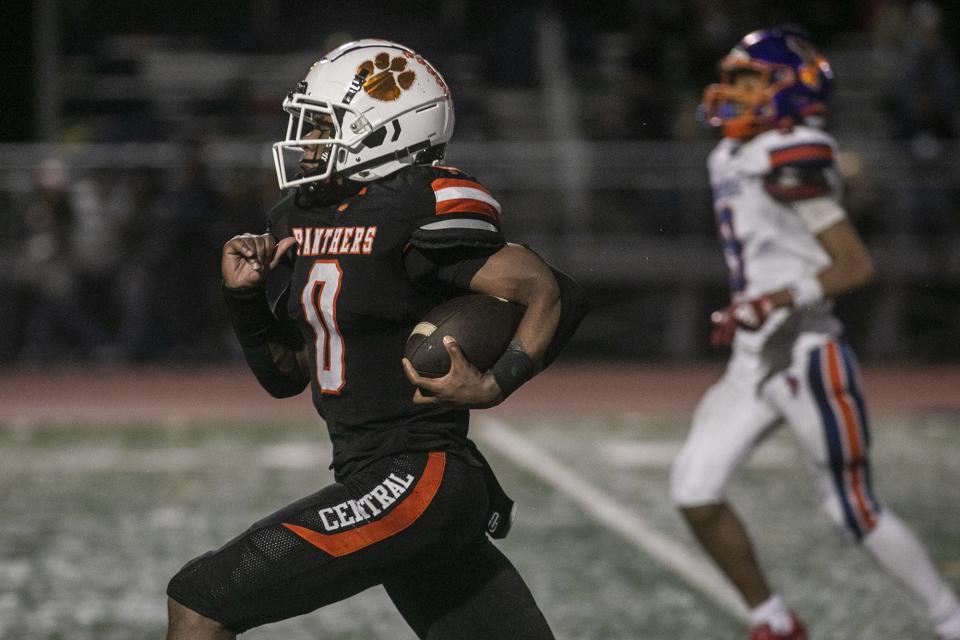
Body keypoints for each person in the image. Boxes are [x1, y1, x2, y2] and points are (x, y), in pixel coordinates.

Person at [165, 39, 588, 640]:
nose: (307, 141)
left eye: (323, 125)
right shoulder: (301, 216)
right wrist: (244, 297)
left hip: (420, 475)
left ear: (386, 129)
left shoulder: (413, 205)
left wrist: (497, 382)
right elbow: (284, 375)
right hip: (378, 477)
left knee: (199, 599)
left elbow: (552, 291)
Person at [670, 28, 960, 640]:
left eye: (750, 81)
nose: (733, 92)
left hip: (808, 354)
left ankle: (950, 618)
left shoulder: (792, 152)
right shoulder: (731, 154)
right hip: (754, 359)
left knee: (851, 509)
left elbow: (855, 265)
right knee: (694, 491)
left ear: (788, 90)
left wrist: (777, 296)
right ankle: (773, 620)